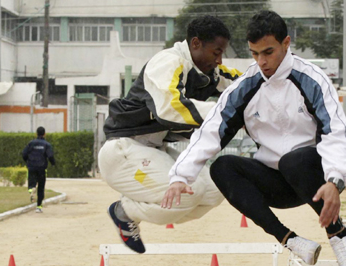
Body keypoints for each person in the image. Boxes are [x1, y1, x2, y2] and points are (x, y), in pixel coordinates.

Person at [162, 10, 346, 266]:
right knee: (222, 167)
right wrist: (180, 176)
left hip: (314, 179)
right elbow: (211, 131)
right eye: (255, 54)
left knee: (293, 160)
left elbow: (335, 131)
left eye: (268, 52)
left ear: (286, 43)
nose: (262, 61)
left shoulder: (312, 79)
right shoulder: (245, 87)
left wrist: (335, 180)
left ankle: (339, 234)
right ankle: (290, 240)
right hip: (276, 184)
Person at [99, 15, 241, 253]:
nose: (219, 60)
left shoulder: (209, 72)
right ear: (195, 44)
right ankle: (123, 211)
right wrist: (226, 114)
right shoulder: (167, 62)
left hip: (154, 150)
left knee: (216, 189)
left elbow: (243, 85)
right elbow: (169, 109)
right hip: (123, 152)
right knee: (189, 193)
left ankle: (143, 209)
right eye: (216, 52)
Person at [22, 126, 55, 213]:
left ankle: (31, 189)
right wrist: (53, 164)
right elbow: (50, 156)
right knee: (41, 187)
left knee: (31, 181)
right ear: (44, 134)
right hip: (42, 167)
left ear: (36, 134)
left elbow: (24, 154)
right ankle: (39, 206)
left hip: (32, 166)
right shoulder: (47, 145)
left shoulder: (31, 143)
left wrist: (28, 161)